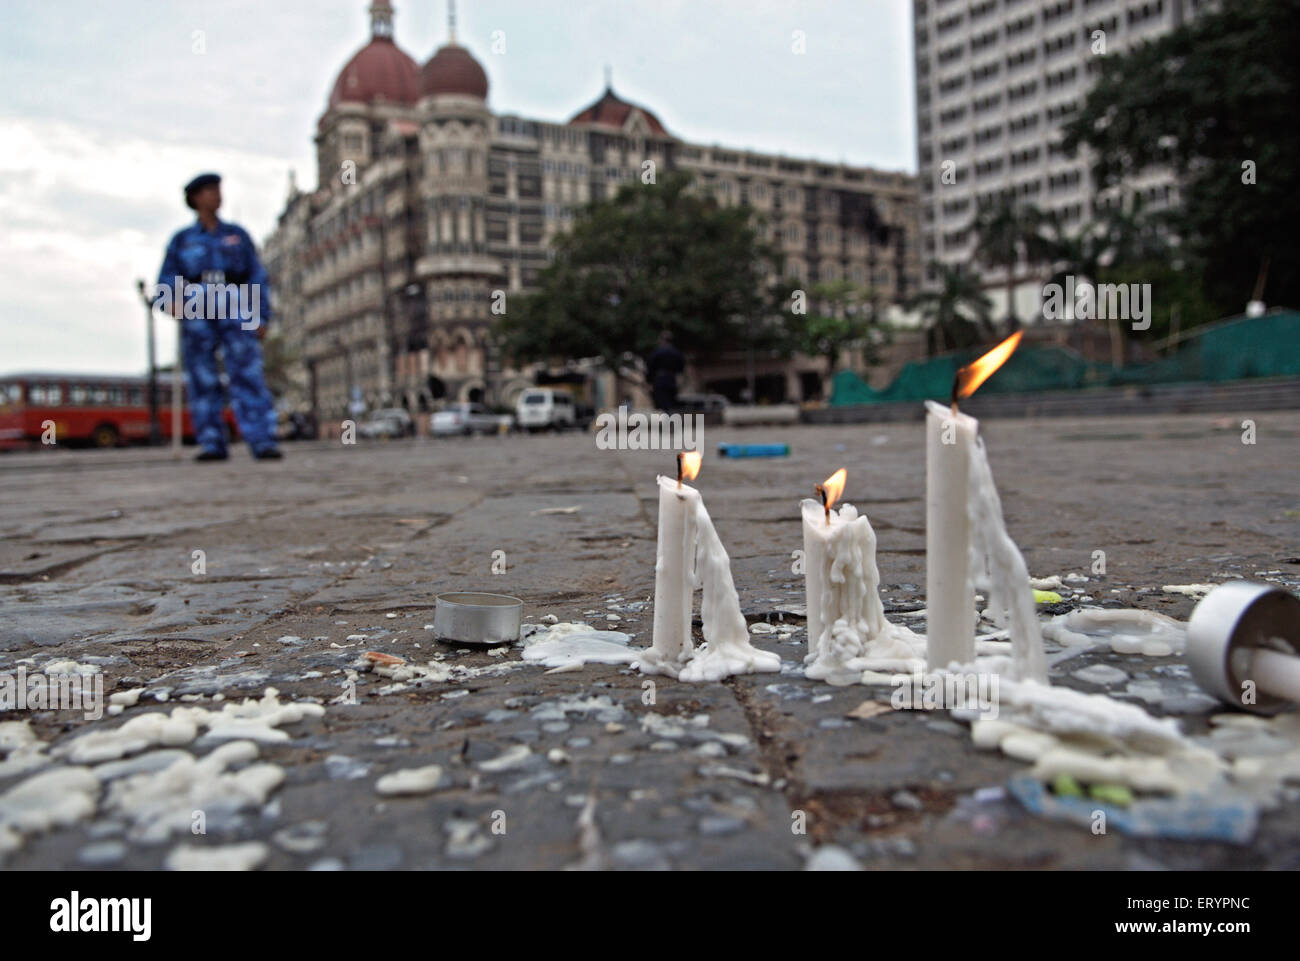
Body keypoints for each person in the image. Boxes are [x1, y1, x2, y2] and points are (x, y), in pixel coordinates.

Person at [155, 173, 282, 461]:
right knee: (202, 377)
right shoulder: (182, 241)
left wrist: (262, 316)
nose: (217, 195)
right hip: (198, 309)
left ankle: (262, 439)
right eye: (210, 191)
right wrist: (170, 303)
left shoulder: (237, 235)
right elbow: (166, 281)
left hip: (237, 307)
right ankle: (212, 441)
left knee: (247, 374)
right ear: (196, 199)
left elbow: (257, 276)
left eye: (218, 190)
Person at [646, 330, 685, 412]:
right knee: (671, 405)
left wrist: (649, 382)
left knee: (662, 405)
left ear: (662, 340)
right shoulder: (677, 353)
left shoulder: (657, 352)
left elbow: (650, 367)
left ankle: (666, 421)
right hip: (672, 380)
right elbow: (681, 369)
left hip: (660, 381)